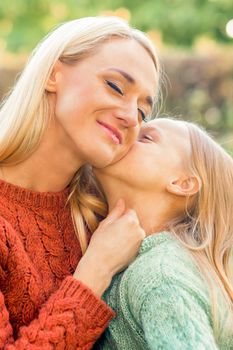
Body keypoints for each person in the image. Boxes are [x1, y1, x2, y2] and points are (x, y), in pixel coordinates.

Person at [0, 17, 160, 348]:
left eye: (144, 112)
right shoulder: (107, 245)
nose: (131, 118)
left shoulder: (109, 219)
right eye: (115, 86)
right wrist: (96, 270)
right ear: (52, 75)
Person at [92, 117, 233, 349]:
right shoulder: (161, 263)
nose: (126, 135)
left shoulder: (159, 276)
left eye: (146, 138)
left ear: (182, 183)